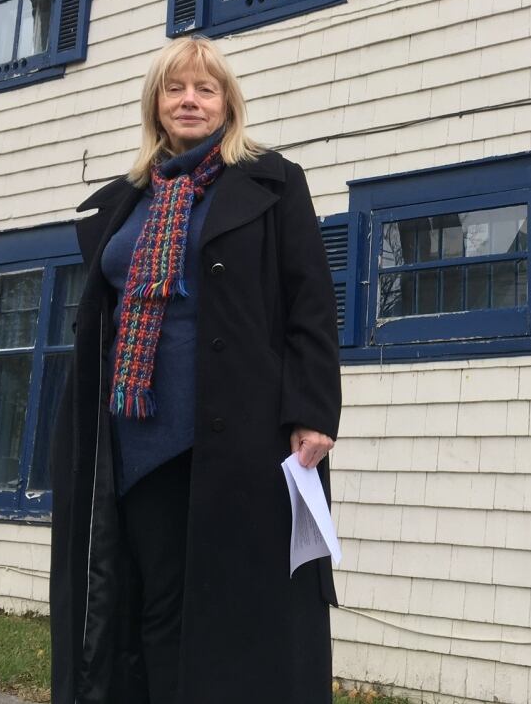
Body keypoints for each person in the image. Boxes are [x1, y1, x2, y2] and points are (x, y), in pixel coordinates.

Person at [49, 35, 342, 704]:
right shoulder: (127, 201)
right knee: (156, 610)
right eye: (175, 88)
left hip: (242, 437)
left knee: (238, 613)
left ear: (227, 103)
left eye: (204, 88)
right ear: (155, 103)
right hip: (136, 445)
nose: (189, 100)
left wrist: (315, 409)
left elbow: (311, 302)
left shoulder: (271, 182)